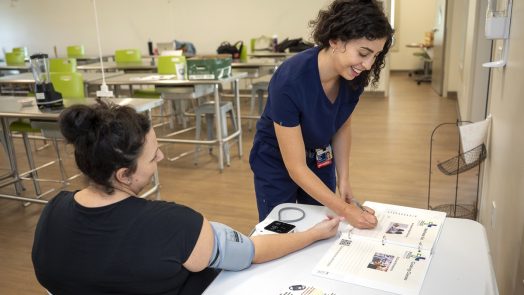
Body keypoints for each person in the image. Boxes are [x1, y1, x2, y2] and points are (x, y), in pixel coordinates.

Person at [31, 100, 341, 295]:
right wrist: (313, 234)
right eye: (153, 157)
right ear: (124, 175)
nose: (162, 157)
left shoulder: (52, 211)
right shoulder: (175, 226)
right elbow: (253, 251)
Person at [249, 0, 394, 228]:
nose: (368, 65)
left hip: (319, 155)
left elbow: (342, 126)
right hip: (277, 161)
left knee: (322, 225)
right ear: (335, 40)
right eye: (363, 53)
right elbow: (296, 167)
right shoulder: (290, 81)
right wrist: (345, 209)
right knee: (280, 229)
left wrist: (344, 180)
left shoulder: (353, 77)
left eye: (375, 56)